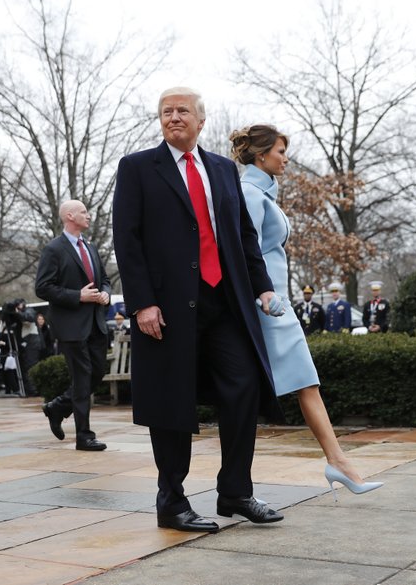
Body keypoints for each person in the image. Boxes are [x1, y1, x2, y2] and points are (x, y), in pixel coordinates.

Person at [113, 87, 285, 534]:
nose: (174, 117)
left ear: (200, 120)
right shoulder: (137, 169)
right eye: (166, 111)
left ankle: (235, 491)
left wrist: (263, 288)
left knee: (243, 384)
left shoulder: (224, 169)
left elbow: (244, 235)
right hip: (166, 308)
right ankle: (171, 501)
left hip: (223, 302)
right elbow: (126, 241)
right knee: (171, 403)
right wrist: (142, 303)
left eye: (182, 111)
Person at [230, 124, 383, 499]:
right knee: (291, 385)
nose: (285, 158)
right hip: (267, 308)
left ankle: (336, 461)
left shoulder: (261, 192)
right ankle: (335, 463)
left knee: (300, 383)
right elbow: (242, 252)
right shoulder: (250, 193)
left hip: (275, 304)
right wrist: (262, 297)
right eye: (281, 151)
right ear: (261, 154)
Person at [35, 199, 111, 451]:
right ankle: (84, 436)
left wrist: (106, 295)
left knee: (96, 373)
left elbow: (106, 279)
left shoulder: (90, 246)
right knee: (81, 379)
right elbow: (42, 287)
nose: (88, 216)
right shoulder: (53, 249)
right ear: (69, 216)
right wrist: (77, 296)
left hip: (96, 324)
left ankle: (57, 407)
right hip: (70, 326)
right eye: (83, 212)